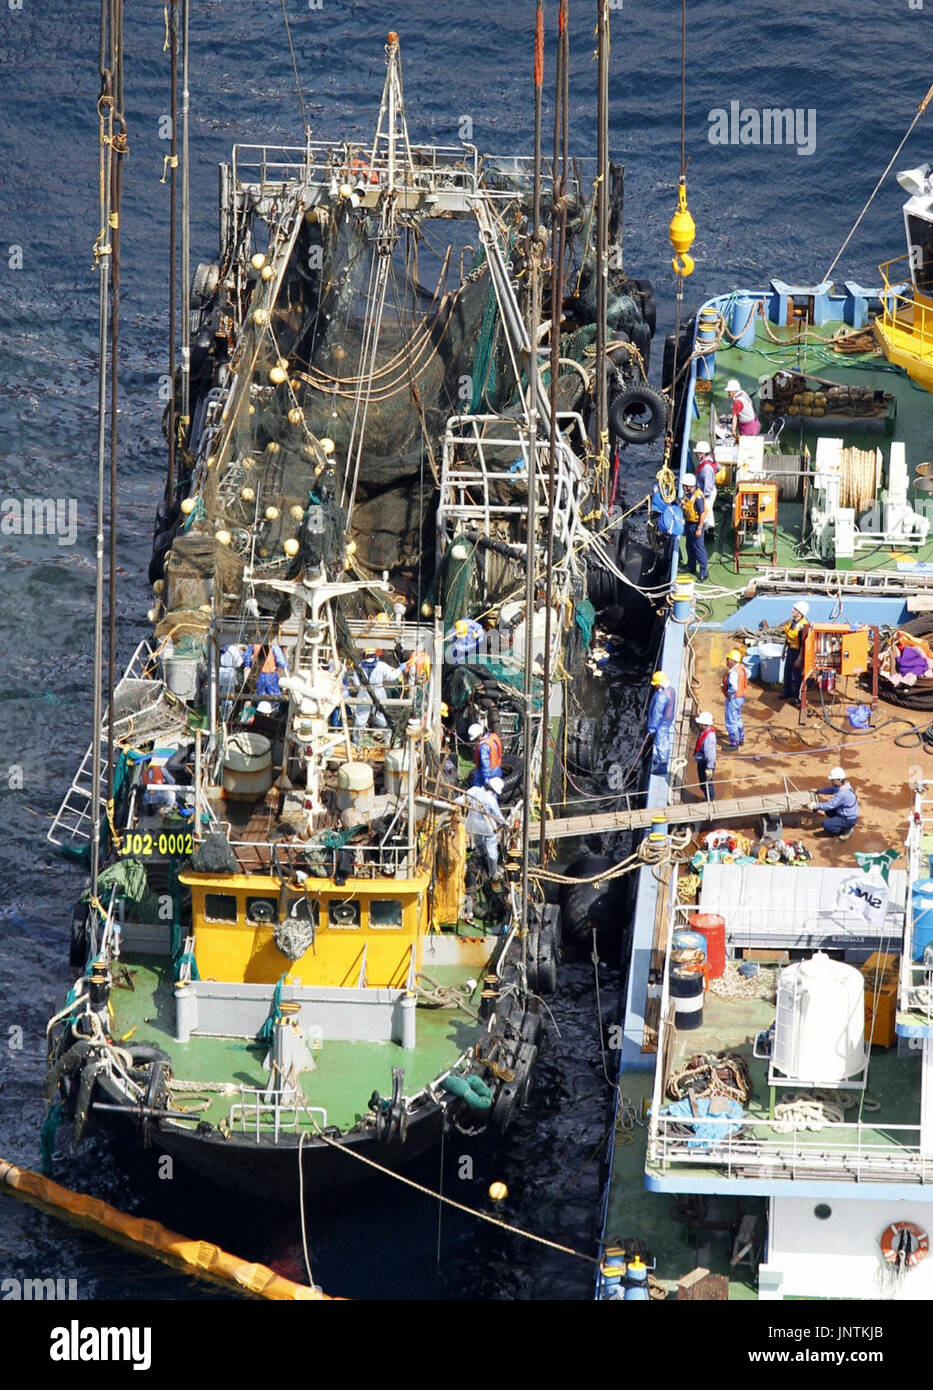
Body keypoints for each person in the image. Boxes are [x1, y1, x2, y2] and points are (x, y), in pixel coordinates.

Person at [461, 775, 509, 877]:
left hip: (472, 825)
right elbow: (497, 815)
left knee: (478, 842)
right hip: (488, 828)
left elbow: (462, 799)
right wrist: (505, 823)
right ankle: (492, 872)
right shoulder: (491, 800)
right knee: (492, 851)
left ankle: (480, 858)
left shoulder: (474, 790)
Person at [350, 649, 401, 733]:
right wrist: (400, 669)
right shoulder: (381, 665)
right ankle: (387, 740)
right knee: (382, 716)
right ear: (375, 654)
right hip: (379, 692)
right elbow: (391, 677)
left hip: (364, 693)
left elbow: (356, 684)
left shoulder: (359, 666)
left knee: (361, 718)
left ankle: (357, 741)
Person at [811, 767, 859, 839]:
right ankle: (838, 823)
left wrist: (815, 805)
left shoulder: (843, 793)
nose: (831, 781)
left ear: (838, 780)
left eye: (833, 780)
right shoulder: (844, 785)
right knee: (828, 812)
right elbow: (831, 789)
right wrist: (818, 791)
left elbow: (830, 805)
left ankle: (845, 831)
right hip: (845, 814)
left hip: (848, 819)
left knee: (826, 825)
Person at [681, 473, 708, 582]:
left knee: (699, 548)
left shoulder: (698, 497)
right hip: (689, 523)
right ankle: (691, 567)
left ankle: (703, 572)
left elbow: (702, 513)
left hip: (696, 525)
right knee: (689, 546)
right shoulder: (689, 494)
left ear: (689, 486)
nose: (683, 488)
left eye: (684, 486)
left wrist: (699, 529)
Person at [647, 670, 676, 774]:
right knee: (666, 740)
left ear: (659, 684)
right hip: (668, 719)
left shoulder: (661, 697)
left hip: (661, 723)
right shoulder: (671, 690)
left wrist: (652, 728)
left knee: (660, 743)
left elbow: (657, 714)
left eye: (656, 684)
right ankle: (662, 759)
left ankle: (662, 766)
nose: (655, 686)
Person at [781, 601, 810, 704]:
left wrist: (799, 658)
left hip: (797, 652)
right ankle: (787, 691)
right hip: (790, 650)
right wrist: (784, 649)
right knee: (787, 671)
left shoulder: (803, 626)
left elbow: (803, 643)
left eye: (795, 609)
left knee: (797, 675)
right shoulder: (792, 622)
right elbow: (787, 636)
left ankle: (797, 697)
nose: (792, 611)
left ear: (800, 613)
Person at [722, 649, 747, 748]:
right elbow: (748, 675)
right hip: (740, 698)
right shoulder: (741, 668)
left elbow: (734, 687)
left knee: (731, 720)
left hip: (733, 698)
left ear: (733, 660)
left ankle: (734, 742)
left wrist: (728, 693)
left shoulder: (733, 673)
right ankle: (741, 738)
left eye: (728, 659)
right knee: (738, 718)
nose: (727, 661)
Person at [694, 442, 717, 535]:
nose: (695, 455)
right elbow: (718, 468)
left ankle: (704, 531)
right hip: (710, 490)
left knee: (704, 513)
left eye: (697, 453)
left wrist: (704, 496)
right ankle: (710, 529)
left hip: (707, 493)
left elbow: (707, 484)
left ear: (702, 454)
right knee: (709, 511)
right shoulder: (709, 462)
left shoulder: (706, 467)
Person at [470, 721, 503, 786]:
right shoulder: (493, 737)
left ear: (478, 736)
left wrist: (486, 780)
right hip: (497, 771)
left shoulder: (483, 747)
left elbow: (485, 764)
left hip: (487, 775)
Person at [694, 711, 717, 802]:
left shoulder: (709, 738)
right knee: (703, 783)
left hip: (706, 764)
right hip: (702, 760)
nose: (698, 725)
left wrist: (709, 768)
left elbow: (710, 754)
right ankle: (708, 798)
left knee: (706, 784)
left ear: (704, 725)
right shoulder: (705, 732)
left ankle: (710, 800)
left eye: (700, 724)